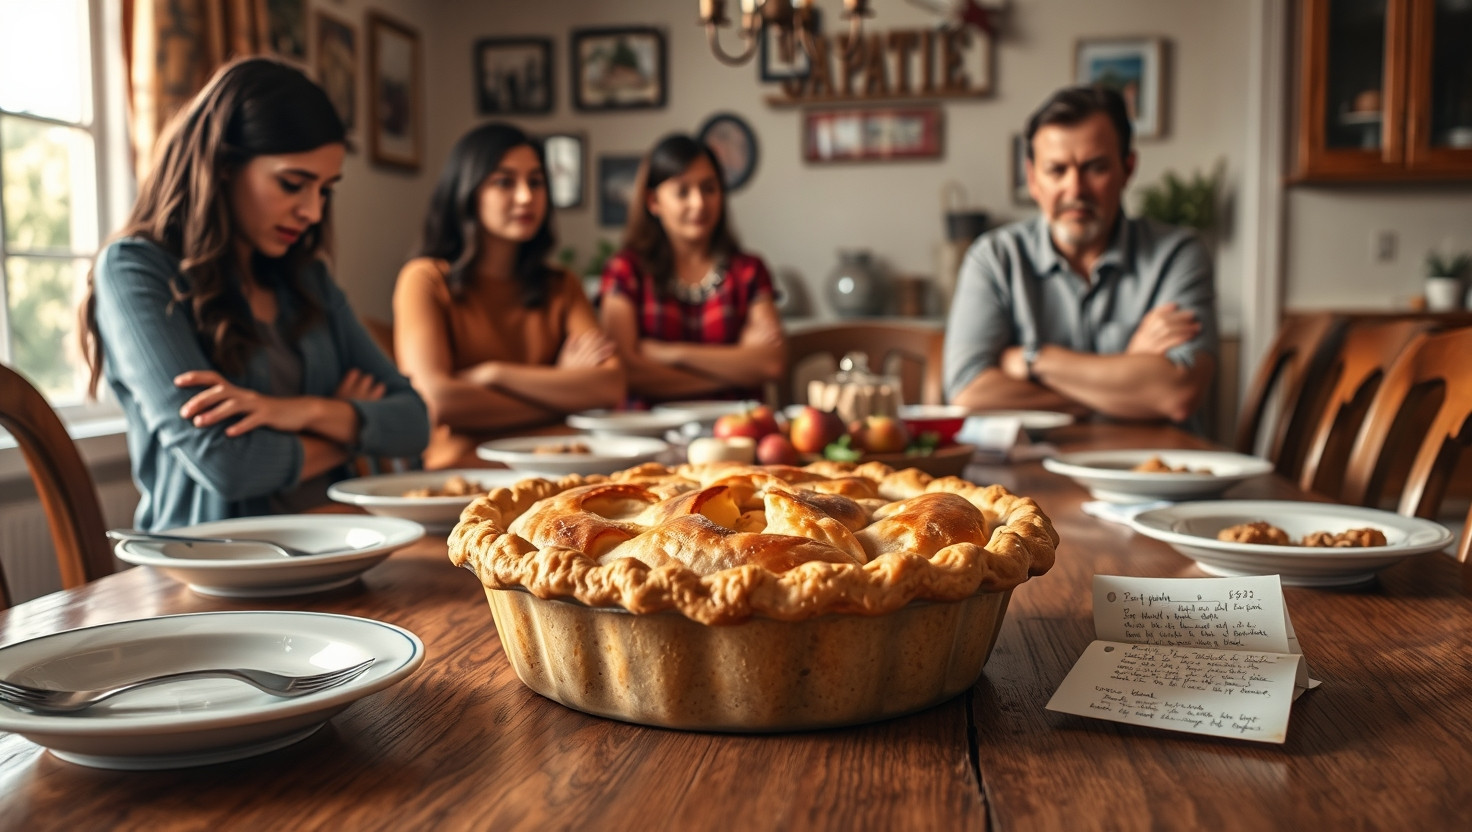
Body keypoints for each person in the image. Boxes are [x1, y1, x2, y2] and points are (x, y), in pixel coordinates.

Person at [82, 58, 429, 531]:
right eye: (293, 184)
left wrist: (300, 411)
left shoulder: (308, 279)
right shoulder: (135, 271)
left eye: (325, 190)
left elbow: (413, 421)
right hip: (214, 559)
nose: (312, 212)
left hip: (343, 537)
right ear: (223, 166)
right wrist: (349, 428)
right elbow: (229, 467)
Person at [943, 85, 1218, 427]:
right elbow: (968, 392)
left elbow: (1177, 394)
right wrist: (1124, 382)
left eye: (1095, 167)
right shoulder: (994, 258)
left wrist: (1034, 360)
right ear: (1032, 179)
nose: (1075, 189)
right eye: (1056, 170)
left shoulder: (1178, 254)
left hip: (1154, 459)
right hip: (1036, 460)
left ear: (1128, 168)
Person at [393, 123, 624, 469]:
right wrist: (561, 388)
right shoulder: (425, 279)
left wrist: (495, 375)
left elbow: (610, 386)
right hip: (464, 474)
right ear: (467, 191)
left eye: (536, 182)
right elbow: (436, 401)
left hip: (563, 468)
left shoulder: (561, 285)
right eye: (504, 182)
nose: (526, 197)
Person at [599, 133, 785, 405]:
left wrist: (670, 353)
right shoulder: (625, 271)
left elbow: (771, 364)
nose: (699, 203)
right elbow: (625, 372)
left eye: (709, 188)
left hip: (737, 425)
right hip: (648, 427)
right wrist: (737, 370)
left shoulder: (749, 271)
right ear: (653, 201)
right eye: (682, 192)